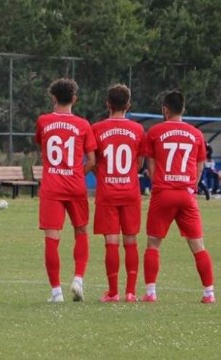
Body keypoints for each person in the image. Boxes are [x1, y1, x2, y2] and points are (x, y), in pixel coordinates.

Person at [143, 90, 215, 304]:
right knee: (198, 245)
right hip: (186, 194)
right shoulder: (196, 134)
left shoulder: (155, 132)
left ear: (165, 109)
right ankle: (209, 293)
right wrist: (191, 186)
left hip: (163, 193)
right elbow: (200, 165)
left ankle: (150, 292)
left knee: (153, 243)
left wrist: (160, 184)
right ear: (183, 109)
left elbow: (151, 166)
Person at [35, 78, 96, 303]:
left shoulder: (43, 121)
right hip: (75, 185)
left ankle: (56, 292)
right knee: (81, 232)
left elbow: (41, 143)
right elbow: (92, 159)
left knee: (52, 239)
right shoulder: (83, 124)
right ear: (74, 99)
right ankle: (78, 279)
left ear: (53, 98)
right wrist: (78, 172)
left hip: (52, 187)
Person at [91, 84, 146, 303]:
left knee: (111, 242)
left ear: (107, 104)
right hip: (130, 191)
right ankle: (130, 292)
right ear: (128, 105)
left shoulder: (97, 128)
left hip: (107, 192)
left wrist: (103, 175)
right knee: (131, 240)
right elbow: (139, 163)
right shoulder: (138, 130)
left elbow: (94, 162)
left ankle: (113, 292)